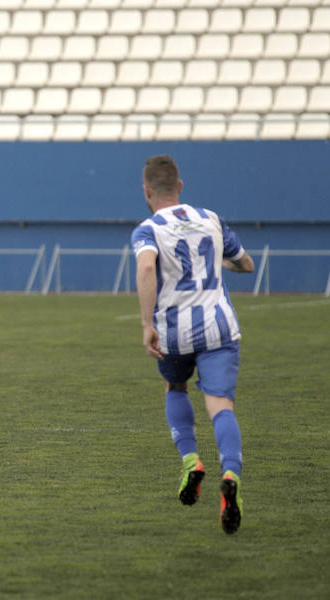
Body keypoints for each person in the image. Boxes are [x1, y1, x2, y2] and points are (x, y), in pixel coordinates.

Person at [131, 155, 254, 535]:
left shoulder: (148, 229)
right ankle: (230, 473)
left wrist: (147, 323)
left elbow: (148, 267)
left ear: (147, 190)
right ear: (180, 186)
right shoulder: (211, 219)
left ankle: (191, 462)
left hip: (174, 331)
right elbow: (245, 264)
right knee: (220, 406)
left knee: (175, 386)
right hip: (218, 328)